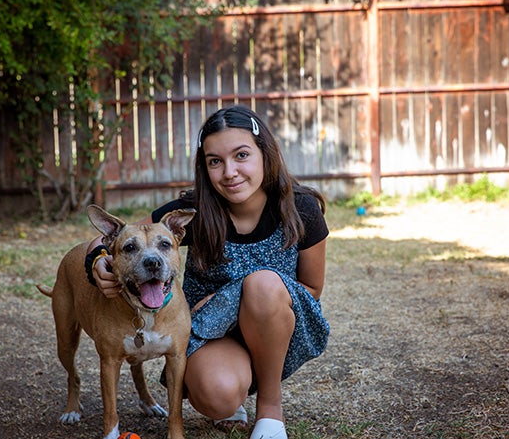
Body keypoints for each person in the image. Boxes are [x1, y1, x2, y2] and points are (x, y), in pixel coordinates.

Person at [86, 105, 330, 439]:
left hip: (274, 326)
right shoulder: (195, 211)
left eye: (241, 155)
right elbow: (112, 238)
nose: (230, 171)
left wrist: (232, 298)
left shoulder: (301, 209)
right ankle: (235, 393)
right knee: (216, 395)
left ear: (265, 154)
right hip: (211, 335)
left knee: (261, 284)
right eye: (215, 161)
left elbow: (312, 289)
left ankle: (270, 408)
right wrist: (97, 260)